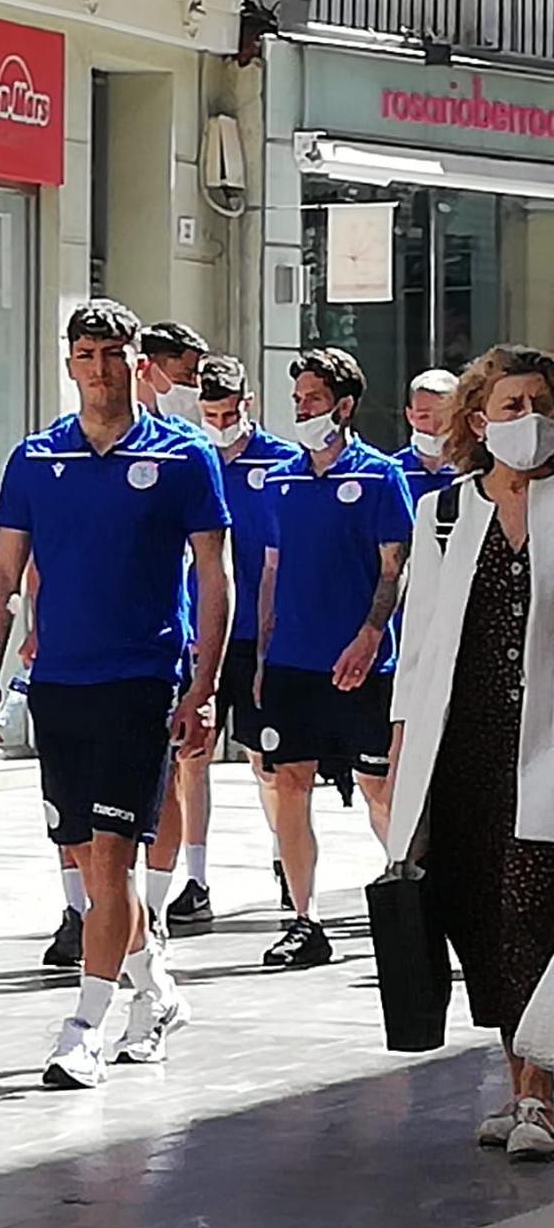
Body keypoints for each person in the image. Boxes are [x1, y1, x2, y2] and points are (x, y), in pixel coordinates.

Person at [0, 300, 229, 1088]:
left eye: (115, 353)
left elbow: (216, 578)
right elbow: (4, 570)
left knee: (114, 860)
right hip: (59, 685)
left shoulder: (184, 457)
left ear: (138, 364)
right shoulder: (36, 459)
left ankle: (83, 1025)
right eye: (87, 354)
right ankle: (154, 991)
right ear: (70, 363)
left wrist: (204, 685)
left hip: (141, 681)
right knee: (85, 861)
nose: (102, 368)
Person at [387, 344, 554, 1163]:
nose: (529, 420)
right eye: (512, 406)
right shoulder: (445, 513)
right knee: (481, 917)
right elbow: (417, 645)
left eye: (541, 403)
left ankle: (539, 1097)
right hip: (464, 747)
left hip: (550, 745)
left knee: (534, 915)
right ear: (480, 422)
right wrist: (399, 748)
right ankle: (521, 1086)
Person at [257, 348, 413, 968]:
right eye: (298, 401)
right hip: (294, 663)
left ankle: (408, 901)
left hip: (362, 664)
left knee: (380, 788)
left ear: (344, 406)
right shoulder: (283, 479)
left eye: (314, 400)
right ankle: (303, 918)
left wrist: (371, 635)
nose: (303, 410)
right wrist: (265, 652)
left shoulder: (381, 477)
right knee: (288, 783)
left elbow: (393, 567)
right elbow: (271, 570)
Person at [165, 355, 302, 932]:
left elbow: (278, 563)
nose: (219, 421)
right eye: (210, 412)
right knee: (189, 758)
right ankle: (196, 880)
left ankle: (282, 857)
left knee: (265, 763)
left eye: (229, 410)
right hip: (195, 636)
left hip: (253, 637)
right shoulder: (188, 462)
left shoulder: (281, 465)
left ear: (248, 403)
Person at [132, 321, 213, 945]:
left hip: (168, 641)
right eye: (182, 377)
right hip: (84, 646)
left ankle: (155, 905)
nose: (189, 389)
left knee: (171, 773)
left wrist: (204, 672)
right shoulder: (63, 448)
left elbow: (216, 564)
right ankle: (80, 910)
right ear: (149, 369)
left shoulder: (188, 450)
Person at [395, 368, 460, 509]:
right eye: (423, 416)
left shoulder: (474, 471)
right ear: (410, 416)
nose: (434, 426)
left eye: (444, 416)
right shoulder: (394, 471)